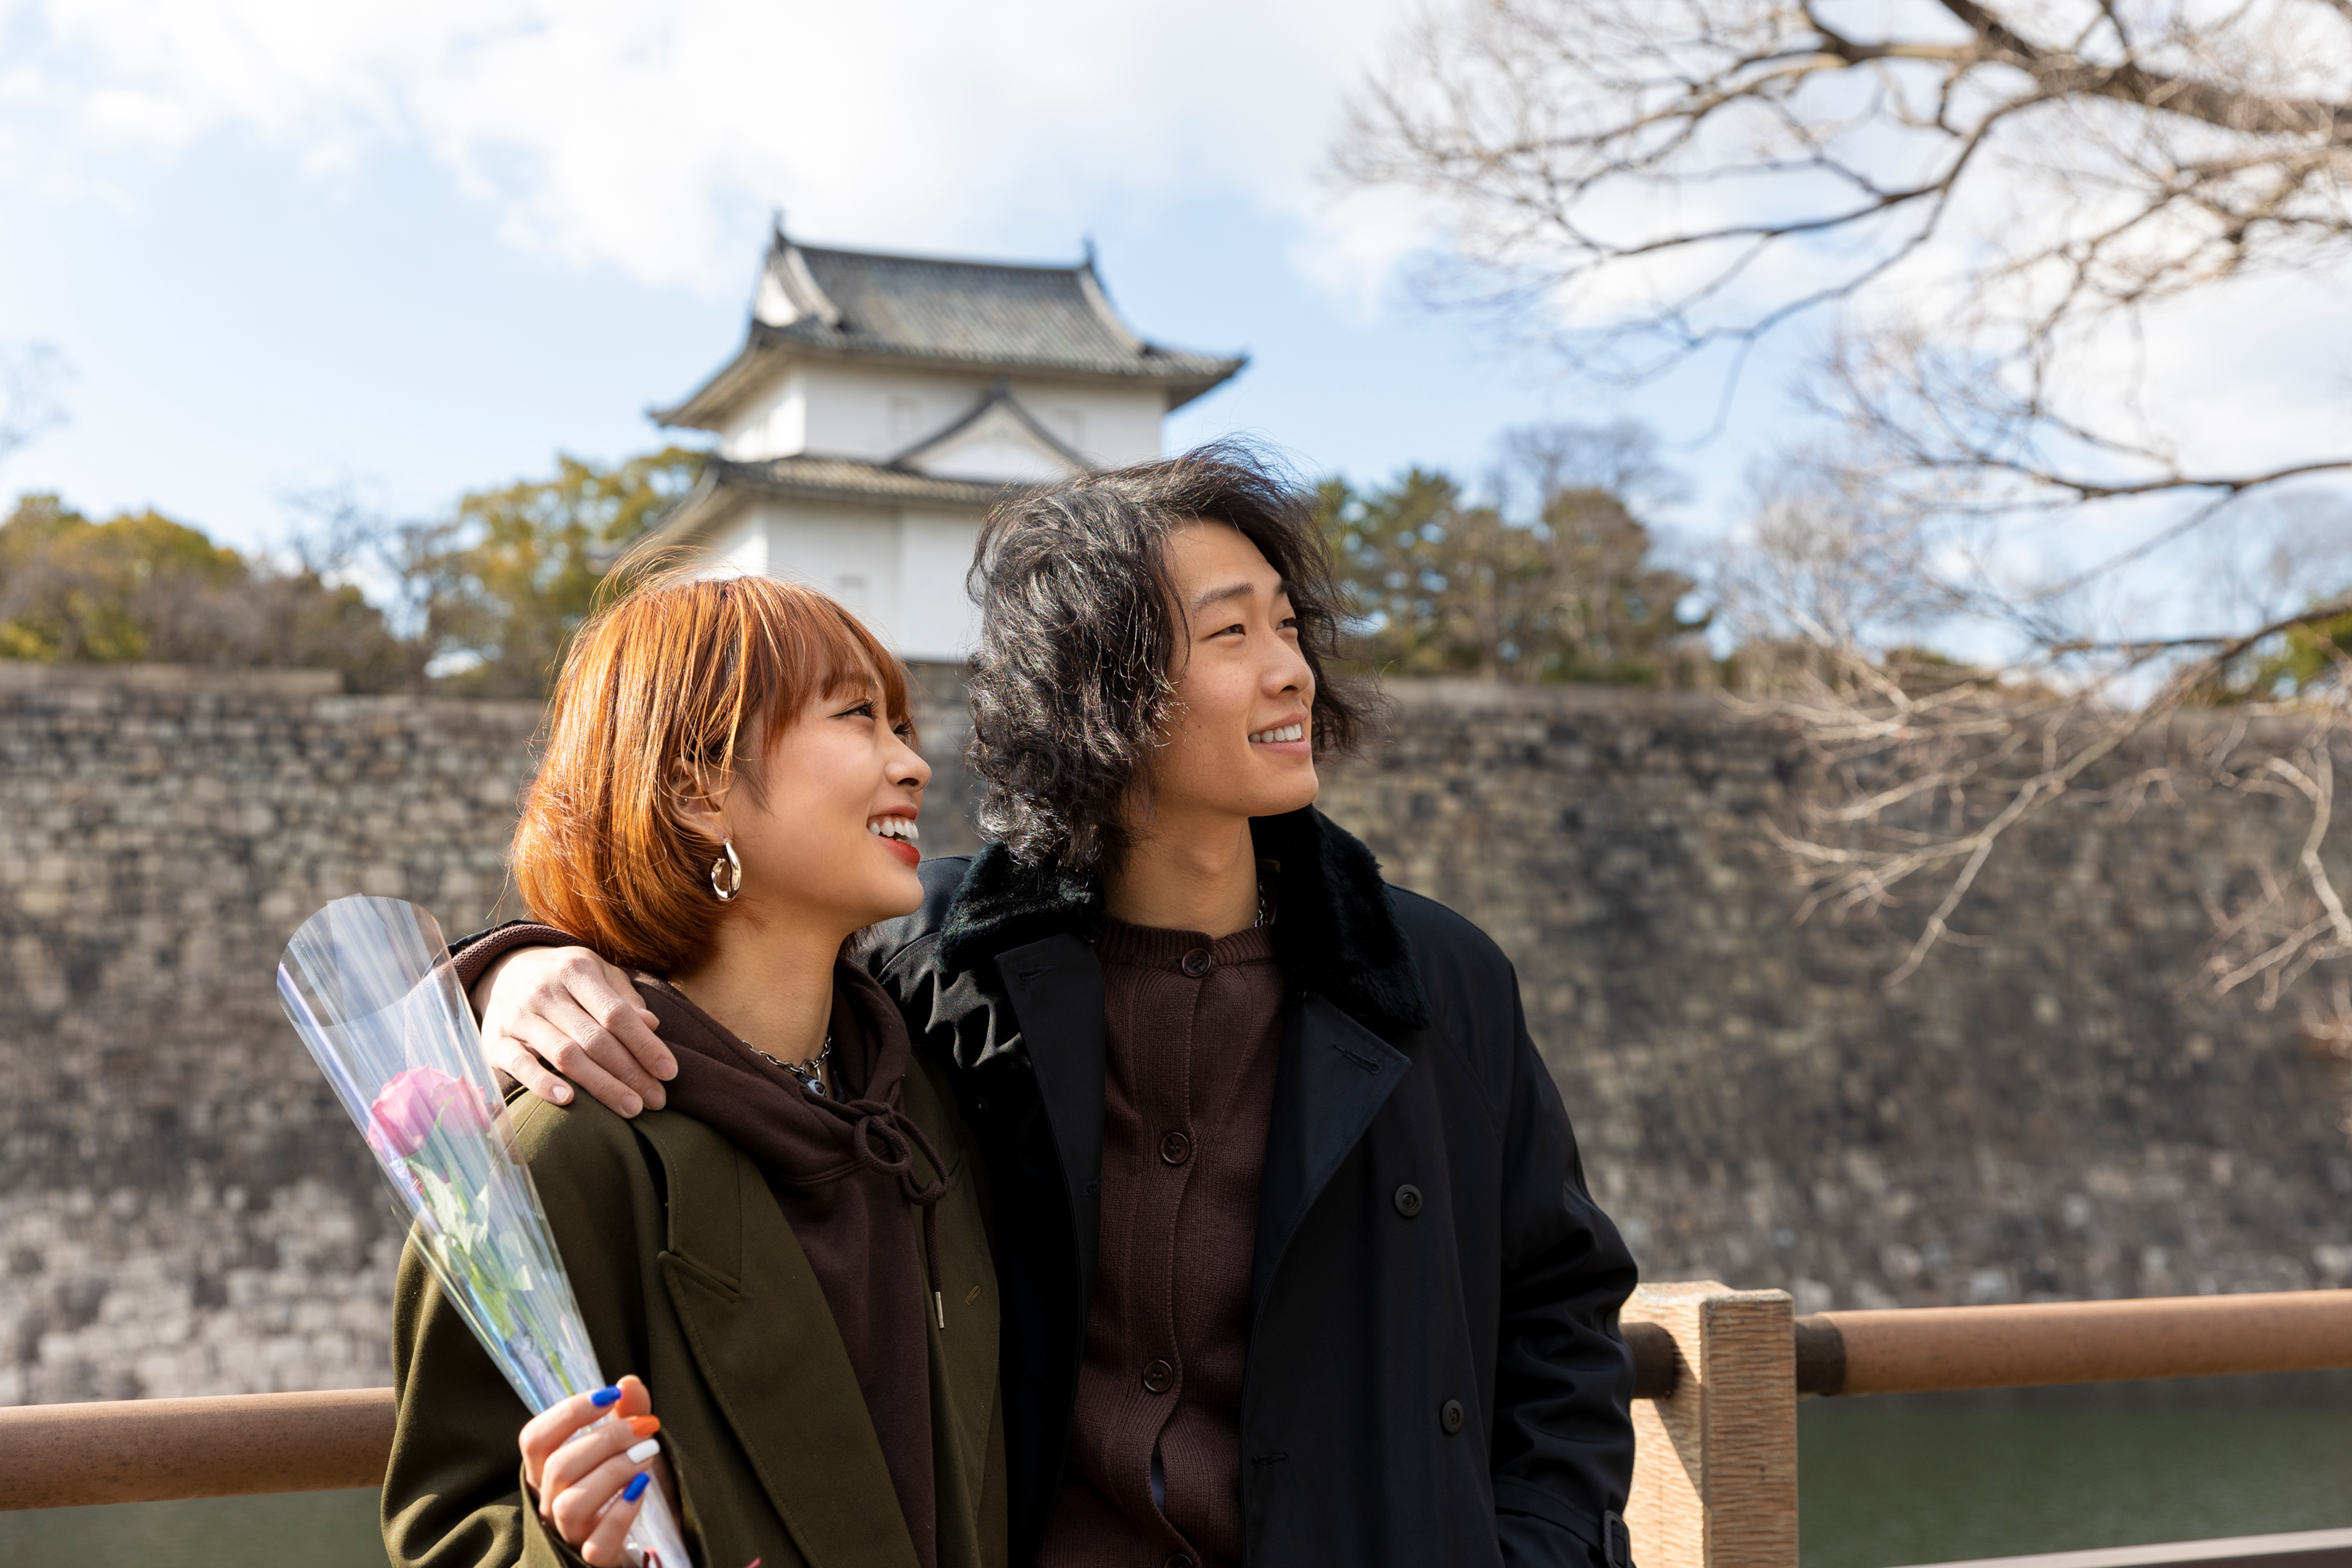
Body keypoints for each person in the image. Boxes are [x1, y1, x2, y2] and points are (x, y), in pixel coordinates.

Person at [458, 447, 1639, 1568]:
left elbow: (1558, 1310)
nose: (1290, 670)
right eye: (1231, 632)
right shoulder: (942, 964)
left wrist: (1529, 1548)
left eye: (1289, 627)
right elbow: (728, 953)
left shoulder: (1432, 978)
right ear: (1095, 683)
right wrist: (514, 964)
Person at [388, 566, 1006, 1568]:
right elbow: (453, 1532)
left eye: (901, 726)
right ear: (695, 789)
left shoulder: (929, 1102)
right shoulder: (561, 1152)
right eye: (858, 717)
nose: (911, 765)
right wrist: (576, 1542)